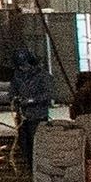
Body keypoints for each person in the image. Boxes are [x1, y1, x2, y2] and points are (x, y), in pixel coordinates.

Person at [6, 32, 54, 163]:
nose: (23, 68)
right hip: (22, 116)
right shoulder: (17, 75)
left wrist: (32, 100)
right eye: (20, 66)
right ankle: (29, 164)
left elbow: (48, 94)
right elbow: (11, 91)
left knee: (36, 143)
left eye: (24, 66)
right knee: (24, 143)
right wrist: (14, 99)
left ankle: (38, 165)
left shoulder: (43, 76)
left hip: (38, 116)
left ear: (30, 63)